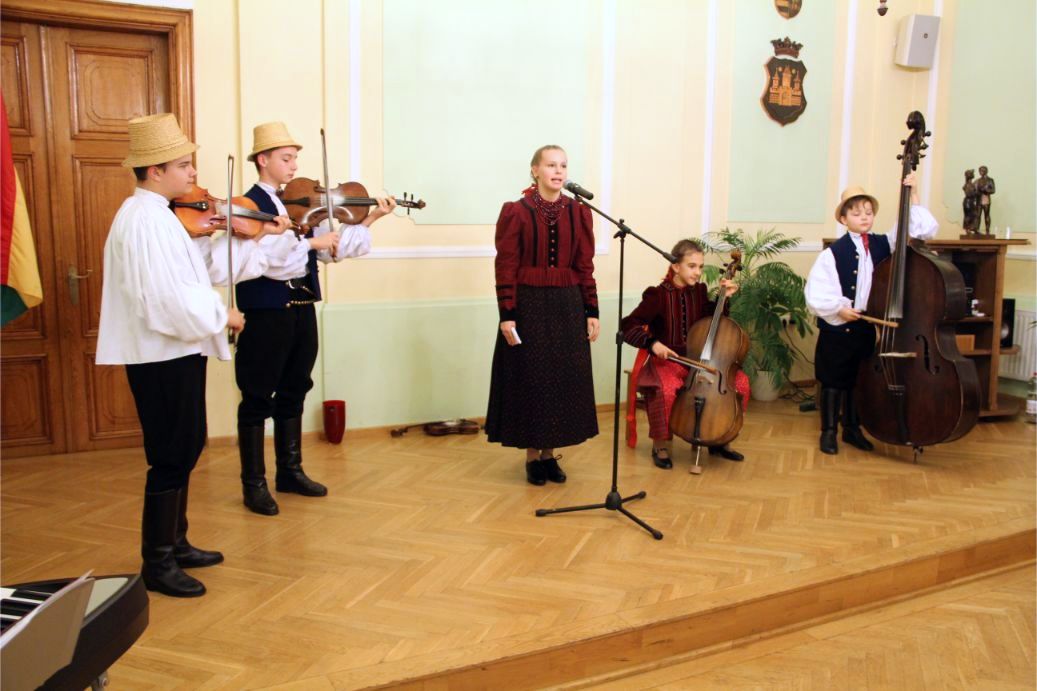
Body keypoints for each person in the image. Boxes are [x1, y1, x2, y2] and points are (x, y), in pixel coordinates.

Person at [97, 113, 282, 597]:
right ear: (155, 170)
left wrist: (250, 236)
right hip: (160, 352)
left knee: (186, 444)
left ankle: (176, 543)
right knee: (170, 452)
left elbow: (199, 273)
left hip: (176, 348)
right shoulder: (143, 220)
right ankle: (157, 563)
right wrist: (222, 316)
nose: (193, 173)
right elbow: (163, 296)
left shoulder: (162, 216)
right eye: (183, 165)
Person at [235, 122, 395, 516]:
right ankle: (254, 484)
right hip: (266, 311)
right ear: (263, 160)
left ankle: (290, 471)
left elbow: (331, 251)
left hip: (302, 307)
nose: (293, 166)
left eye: (295, 158)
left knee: (295, 388)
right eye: (286, 158)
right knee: (257, 395)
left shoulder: (302, 202)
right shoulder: (248, 205)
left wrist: (370, 219)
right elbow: (263, 260)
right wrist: (310, 241)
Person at [485, 145, 601, 486]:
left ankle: (550, 455)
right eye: (551, 165)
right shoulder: (516, 212)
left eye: (563, 165)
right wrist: (507, 314)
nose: (559, 171)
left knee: (561, 380)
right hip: (529, 306)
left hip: (568, 305)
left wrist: (591, 310)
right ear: (535, 170)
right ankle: (532, 458)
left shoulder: (579, 212)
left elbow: (585, 266)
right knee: (532, 380)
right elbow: (505, 267)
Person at [805, 173, 938, 455]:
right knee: (833, 381)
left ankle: (852, 429)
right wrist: (839, 309)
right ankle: (828, 432)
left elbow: (916, 230)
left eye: (868, 212)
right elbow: (817, 290)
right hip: (838, 326)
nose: (864, 217)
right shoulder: (833, 253)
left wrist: (913, 194)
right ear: (844, 219)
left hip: (866, 326)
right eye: (856, 213)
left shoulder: (883, 243)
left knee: (858, 380)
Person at [620, 239, 745, 469]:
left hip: (699, 361)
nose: (698, 272)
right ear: (676, 266)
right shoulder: (657, 295)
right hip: (669, 360)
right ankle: (660, 445)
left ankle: (719, 437)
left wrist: (724, 298)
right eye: (692, 266)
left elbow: (713, 321)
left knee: (741, 384)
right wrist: (652, 343)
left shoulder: (700, 291)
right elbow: (628, 325)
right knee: (666, 389)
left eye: (700, 266)